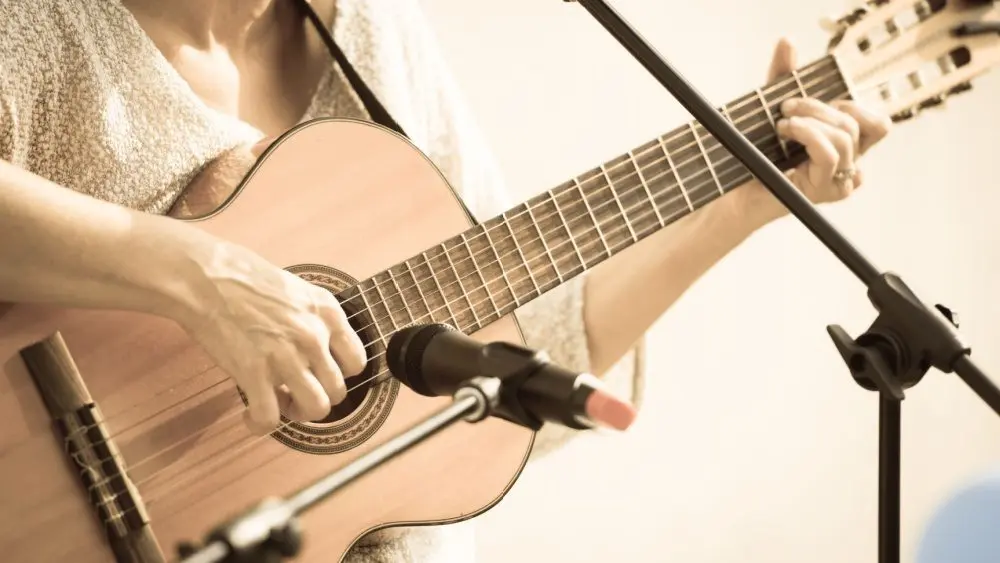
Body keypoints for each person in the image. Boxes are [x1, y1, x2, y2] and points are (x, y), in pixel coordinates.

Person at [0, 0, 891, 561]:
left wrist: (739, 205)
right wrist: (201, 274)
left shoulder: (374, 30)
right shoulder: (42, 24)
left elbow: (518, 351)